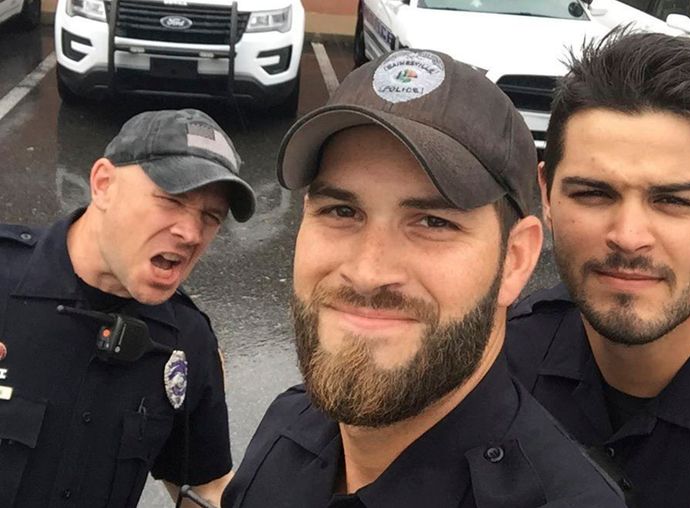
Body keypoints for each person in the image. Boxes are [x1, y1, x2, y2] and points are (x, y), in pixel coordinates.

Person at [222, 49, 626, 507]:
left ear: (514, 260)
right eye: (341, 211)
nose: (368, 273)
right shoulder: (286, 426)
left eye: (434, 222)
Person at [506, 30, 690, 508]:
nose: (628, 236)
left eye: (673, 200)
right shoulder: (485, 369)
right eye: (593, 193)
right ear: (546, 194)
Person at [0, 108, 256, 507]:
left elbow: (204, 488)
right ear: (103, 184)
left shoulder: (187, 341)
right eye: (171, 200)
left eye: (211, 216)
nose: (190, 233)